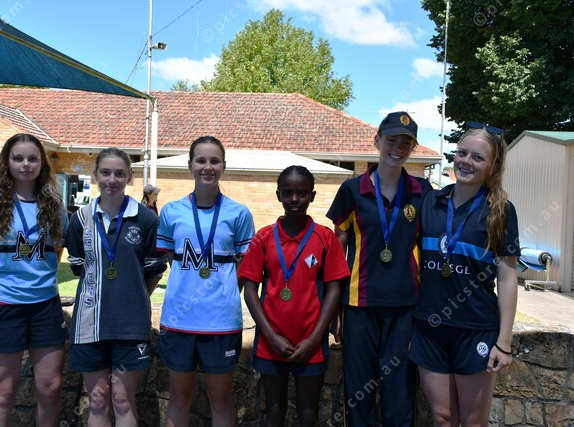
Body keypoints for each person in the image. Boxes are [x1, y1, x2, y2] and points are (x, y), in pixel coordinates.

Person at [326, 111, 433, 426]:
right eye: (391, 141)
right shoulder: (352, 189)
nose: (397, 149)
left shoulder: (422, 191)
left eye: (405, 143)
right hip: (359, 304)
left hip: (405, 306)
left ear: (412, 148)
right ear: (377, 141)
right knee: (358, 389)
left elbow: (429, 247)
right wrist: (335, 307)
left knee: (399, 391)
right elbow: (338, 247)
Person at [410, 123, 519, 426]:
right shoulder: (431, 202)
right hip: (429, 327)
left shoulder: (500, 210)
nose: (466, 161)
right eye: (462, 153)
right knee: (442, 417)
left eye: (478, 157)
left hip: (475, 329)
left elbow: (508, 277)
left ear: (493, 167)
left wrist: (504, 341)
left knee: (472, 422)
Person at [0, 133, 68, 427]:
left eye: (33, 158)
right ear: (6, 162)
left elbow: (57, 251)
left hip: (45, 307)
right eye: (18, 158)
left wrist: (40, 278)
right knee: (3, 393)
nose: (25, 164)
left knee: (51, 387)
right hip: (0, 307)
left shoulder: (55, 207)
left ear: (42, 163)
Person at [156, 135, 255, 426]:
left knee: (221, 400)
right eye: (201, 160)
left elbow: (244, 267)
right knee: (178, 398)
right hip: (179, 320)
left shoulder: (239, 213)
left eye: (214, 161)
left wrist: (223, 292)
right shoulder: (171, 211)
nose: (207, 167)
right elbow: (170, 260)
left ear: (224, 165)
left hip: (221, 322)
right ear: (190, 165)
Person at [240, 165, 350, 426]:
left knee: (309, 414)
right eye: (287, 193)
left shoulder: (325, 237)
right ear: (278, 195)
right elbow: (250, 290)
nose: (294, 199)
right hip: (271, 342)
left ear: (312, 196)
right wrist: (271, 336)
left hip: (311, 342)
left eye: (302, 193)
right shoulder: (263, 237)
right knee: (274, 412)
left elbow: (334, 290)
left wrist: (314, 339)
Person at [66, 147, 165, 426]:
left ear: (130, 177)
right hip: (89, 323)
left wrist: (132, 297)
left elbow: (154, 271)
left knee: (123, 400)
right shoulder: (80, 219)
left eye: (120, 173)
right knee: (97, 401)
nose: (112, 180)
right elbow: (79, 269)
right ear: (95, 175)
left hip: (130, 325)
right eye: (106, 173)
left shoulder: (146, 219)